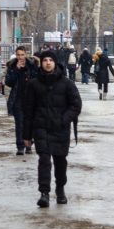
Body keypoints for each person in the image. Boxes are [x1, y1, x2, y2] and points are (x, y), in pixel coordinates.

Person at [22, 49, 82, 208]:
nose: (48, 62)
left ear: (55, 63)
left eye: (50, 60)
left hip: (60, 129)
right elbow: (28, 111)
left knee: (60, 161)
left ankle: (60, 189)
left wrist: (65, 119)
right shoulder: (33, 84)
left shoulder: (67, 83)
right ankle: (44, 193)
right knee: (44, 161)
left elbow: (76, 105)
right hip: (41, 128)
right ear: (41, 63)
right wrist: (26, 136)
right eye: (45, 60)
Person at [5, 46, 40, 155]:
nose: (20, 57)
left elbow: (37, 79)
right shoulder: (12, 66)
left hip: (31, 100)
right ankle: (20, 146)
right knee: (19, 124)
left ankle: (29, 144)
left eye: (22, 54)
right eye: (18, 55)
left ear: (26, 54)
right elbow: (9, 82)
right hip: (18, 99)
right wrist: (16, 70)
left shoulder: (32, 65)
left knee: (30, 124)